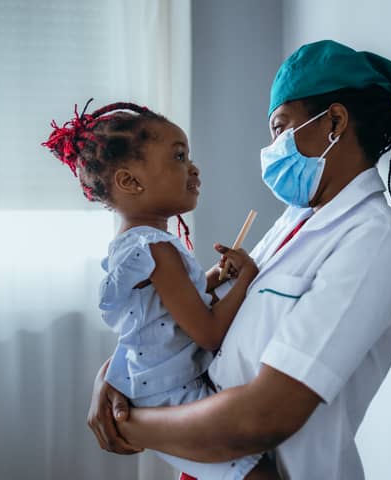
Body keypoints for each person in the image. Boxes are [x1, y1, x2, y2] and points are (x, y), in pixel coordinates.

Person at [87, 40, 391, 479]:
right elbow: (189, 318)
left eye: (279, 127)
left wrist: (131, 423)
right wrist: (114, 374)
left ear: (335, 122)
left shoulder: (374, 241)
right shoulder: (298, 220)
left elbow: (261, 418)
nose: (272, 147)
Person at [42, 100, 280, 480]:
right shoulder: (158, 249)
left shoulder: (133, 244)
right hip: (172, 394)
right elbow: (208, 332)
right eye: (179, 156)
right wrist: (246, 279)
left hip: (149, 386)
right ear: (129, 181)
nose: (194, 167)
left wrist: (218, 275)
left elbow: (168, 304)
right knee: (256, 473)